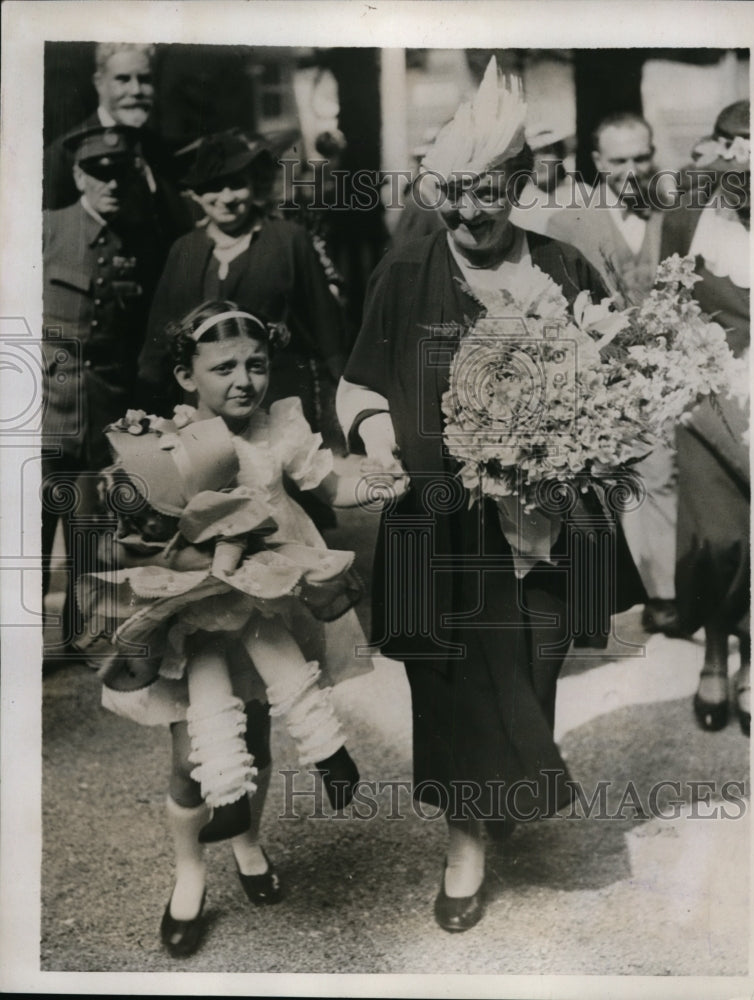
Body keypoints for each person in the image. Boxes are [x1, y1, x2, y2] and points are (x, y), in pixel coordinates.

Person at [337, 57, 644, 933]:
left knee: (534, 662)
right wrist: (378, 440)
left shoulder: (563, 268)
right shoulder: (405, 273)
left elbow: (615, 381)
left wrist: (595, 437)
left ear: (520, 183)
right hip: (443, 523)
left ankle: (503, 786)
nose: (467, 214)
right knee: (461, 676)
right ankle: (465, 842)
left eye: (486, 194)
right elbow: (359, 381)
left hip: (549, 525)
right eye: (452, 195)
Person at [76, 302, 397, 957]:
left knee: (259, 728)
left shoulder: (279, 429)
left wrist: (377, 486)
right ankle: (189, 873)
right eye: (223, 368)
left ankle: (248, 841)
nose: (243, 380)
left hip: (270, 601)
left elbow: (329, 483)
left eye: (256, 365)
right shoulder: (168, 439)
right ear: (186, 375)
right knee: (190, 757)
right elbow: (138, 521)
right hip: (193, 614)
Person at [546, 112, 682, 638]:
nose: (632, 169)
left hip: (673, 374)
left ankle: (664, 593)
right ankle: (598, 592)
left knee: (661, 476)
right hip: (600, 375)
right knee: (598, 485)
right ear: (598, 164)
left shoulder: (676, 215)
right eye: (619, 160)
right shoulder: (568, 223)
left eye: (641, 157)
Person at [41, 124, 168, 660]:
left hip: (102, 408)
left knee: (90, 529)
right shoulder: (46, 229)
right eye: (99, 174)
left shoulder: (139, 243)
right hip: (44, 407)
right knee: (32, 527)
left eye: (120, 175)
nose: (110, 185)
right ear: (77, 175)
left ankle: (81, 636)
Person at [136, 129, 347, 444]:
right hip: (203, 415)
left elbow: (328, 329)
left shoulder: (289, 240)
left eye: (236, 184)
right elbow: (158, 340)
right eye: (212, 188)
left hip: (276, 403)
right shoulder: (184, 249)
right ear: (195, 194)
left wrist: (344, 402)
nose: (226, 197)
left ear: (254, 185)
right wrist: (147, 403)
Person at [661, 101, 751, 735]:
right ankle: (714, 649)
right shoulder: (689, 210)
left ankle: (750, 663)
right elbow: (665, 302)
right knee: (716, 541)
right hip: (707, 398)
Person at [43, 42, 190, 246]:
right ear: (99, 83)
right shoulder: (64, 154)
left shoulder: (158, 150)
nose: (136, 90)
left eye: (145, 79)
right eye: (123, 79)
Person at [509, 122, 593, 235]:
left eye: (545, 153)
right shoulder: (519, 203)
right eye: (533, 155)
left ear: (560, 155)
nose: (539, 162)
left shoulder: (582, 194)